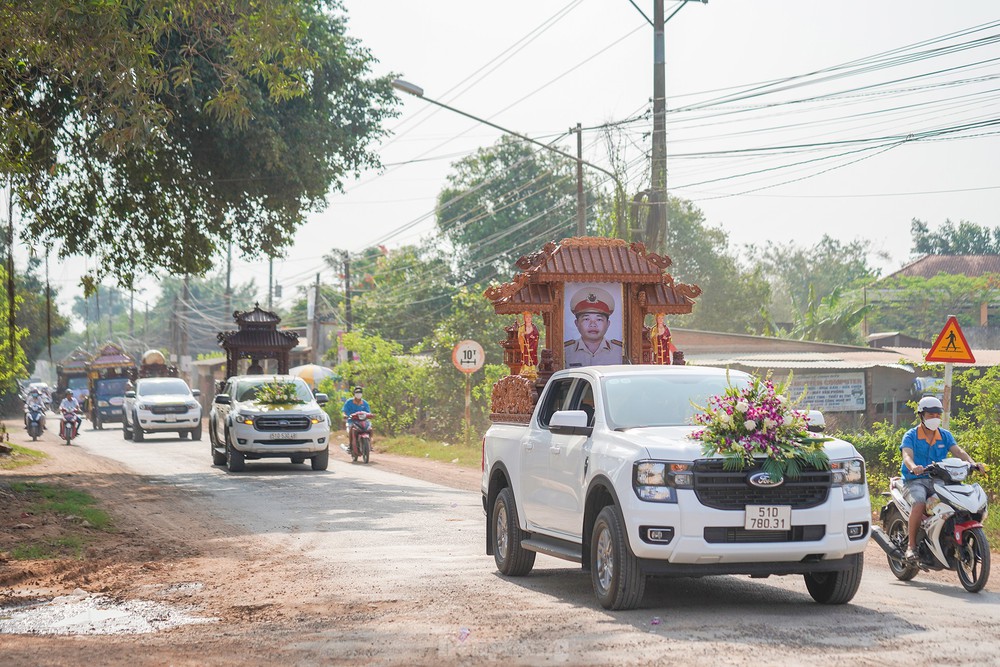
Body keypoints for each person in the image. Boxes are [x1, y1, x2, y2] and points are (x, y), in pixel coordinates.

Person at [899, 395, 983, 561]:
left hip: (939, 481)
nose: (935, 418)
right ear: (921, 415)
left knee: (956, 504)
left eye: (938, 415)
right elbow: (907, 456)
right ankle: (911, 547)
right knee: (919, 503)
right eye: (931, 415)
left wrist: (973, 463)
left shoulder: (944, 435)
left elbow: (958, 452)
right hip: (914, 480)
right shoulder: (911, 436)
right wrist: (913, 467)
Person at [564, 286, 622, 367]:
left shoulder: (620, 351)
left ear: (608, 324)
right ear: (576, 323)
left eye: (599, 320)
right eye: (586, 319)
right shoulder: (565, 352)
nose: (593, 324)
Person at [342, 386, 371, 452]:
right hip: (352, 421)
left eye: (360, 392)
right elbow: (344, 411)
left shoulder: (365, 403)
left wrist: (370, 415)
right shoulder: (349, 402)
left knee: (370, 429)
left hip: (363, 421)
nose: (358, 394)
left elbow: (368, 412)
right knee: (351, 431)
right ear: (354, 393)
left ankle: (370, 443)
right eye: (357, 392)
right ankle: (350, 445)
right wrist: (345, 415)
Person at [517, 311, 540, 378]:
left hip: (532, 345)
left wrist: (533, 337)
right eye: (527, 317)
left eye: (530, 317)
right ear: (524, 318)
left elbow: (537, 335)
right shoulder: (522, 327)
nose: (528, 318)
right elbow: (520, 337)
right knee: (526, 357)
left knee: (532, 357)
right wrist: (523, 334)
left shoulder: (534, 327)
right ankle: (525, 370)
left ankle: (532, 370)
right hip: (525, 345)